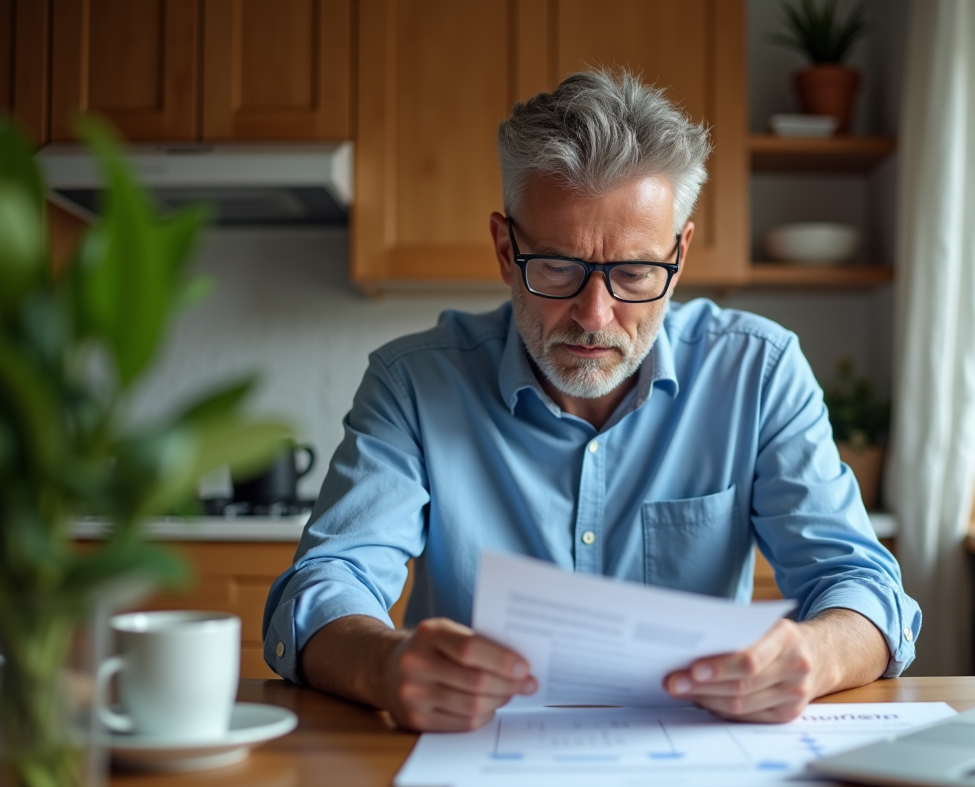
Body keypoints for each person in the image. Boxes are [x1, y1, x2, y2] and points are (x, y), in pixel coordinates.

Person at [262, 70, 921, 733]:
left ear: (680, 255)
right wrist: (383, 664)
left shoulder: (758, 371)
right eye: (557, 267)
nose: (595, 315)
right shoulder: (412, 383)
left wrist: (814, 654)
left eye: (634, 272)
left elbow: (863, 585)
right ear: (504, 248)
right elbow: (326, 583)